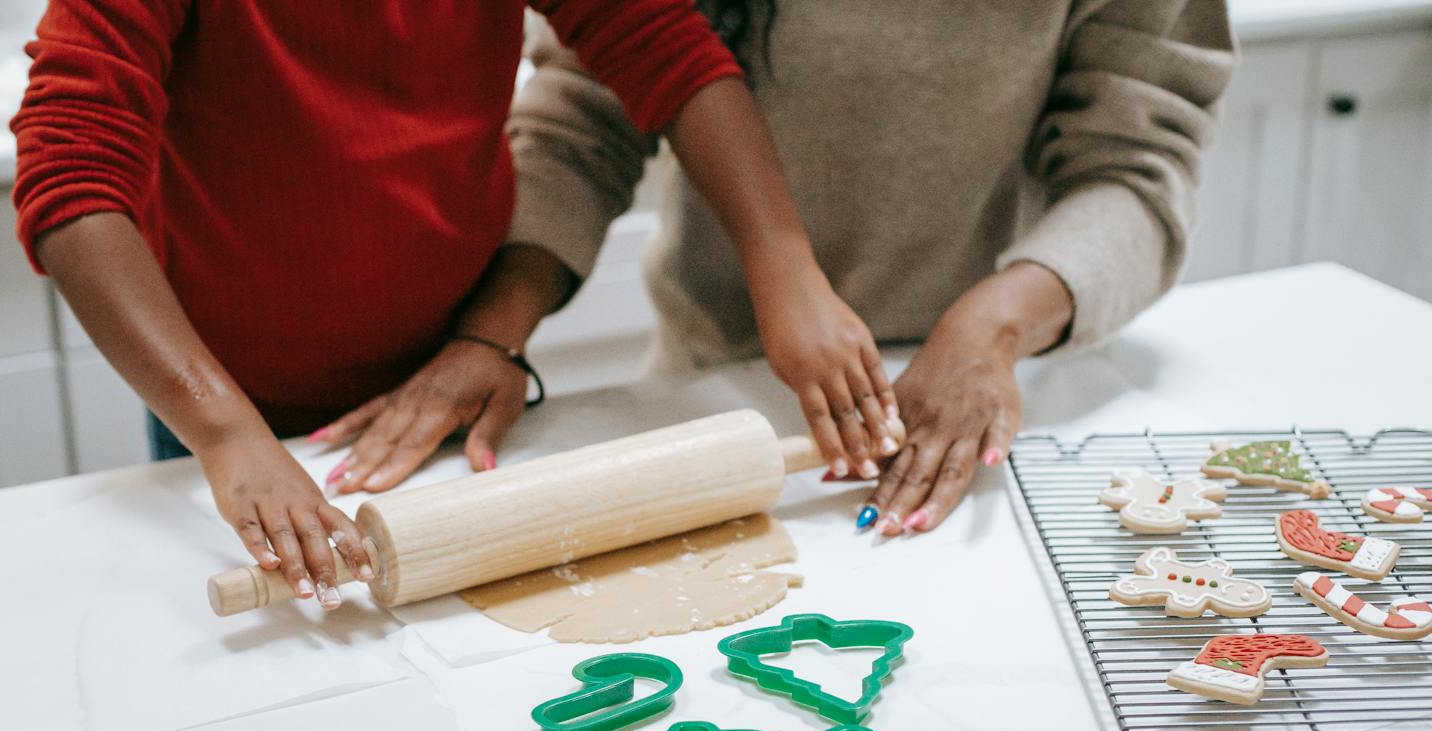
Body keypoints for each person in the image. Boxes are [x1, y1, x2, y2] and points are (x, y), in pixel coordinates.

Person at [12, 1, 894, 610]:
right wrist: (223, 430)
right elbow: (71, 173)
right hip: (236, 406)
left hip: (454, 380)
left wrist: (782, 263)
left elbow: (661, 43)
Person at [504, 0, 1237, 534]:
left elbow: (1137, 169)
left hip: (977, 403)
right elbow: (586, 110)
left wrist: (995, 324)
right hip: (718, 390)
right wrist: (493, 328)